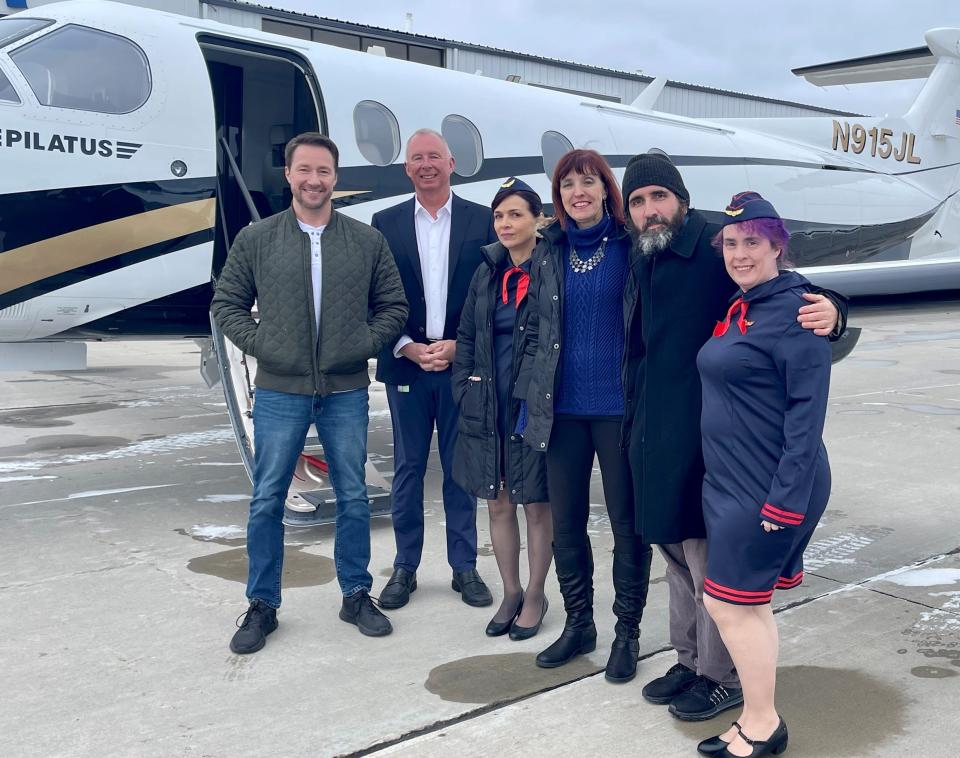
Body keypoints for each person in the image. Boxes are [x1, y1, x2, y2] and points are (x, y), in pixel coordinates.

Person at [619, 153, 845, 720]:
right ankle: (689, 658)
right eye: (639, 201)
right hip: (655, 428)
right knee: (672, 552)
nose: (650, 210)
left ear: (683, 200)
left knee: (704, 559)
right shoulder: (646, 252)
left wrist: (834, 310)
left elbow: (783, 282)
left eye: (659, 197)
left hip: (709, 435)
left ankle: (721, 676)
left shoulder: (715, 247)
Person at [211, 132, 408, 653]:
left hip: (344, 389)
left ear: (335, 178)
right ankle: (262, 605)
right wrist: (267, 346)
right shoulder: (257, 239)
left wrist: (359, 344)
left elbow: (393, 305)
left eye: (323, 171)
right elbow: (226, 304)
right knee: (267, 497)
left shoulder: (366, 241)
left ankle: (356, 592)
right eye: (304, 170)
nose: (314, 180)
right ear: (288, 175)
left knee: (353, 496)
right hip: (281, 388)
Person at [694, 191, 832, 757]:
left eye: (752, 241)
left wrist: (785, 500)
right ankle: (756, 715)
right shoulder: (745, 305)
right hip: (731, 480)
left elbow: (808, 414)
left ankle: (763, 724)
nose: (739, 253)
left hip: (767, 485)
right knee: (747, 604)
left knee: (728, 604)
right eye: (731, 243)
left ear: (779, 246)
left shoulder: (797, 311)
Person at [517, 149, 652, 683]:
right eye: (568, 183)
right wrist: (526, 398)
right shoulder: (547, 249)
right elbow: (531, 325)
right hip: (561, 411)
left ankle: (627, 631)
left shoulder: (632, 245)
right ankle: (580, 624)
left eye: (588, 182)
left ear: (605, 190)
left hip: (618, 410)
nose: (579, 191)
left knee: (626, 527)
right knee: (567, 527)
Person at [372, 129, 498, 610]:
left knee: (459, 470)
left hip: (459, 367)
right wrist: (404, 346)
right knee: (407, 468)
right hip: (407, 365)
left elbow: (492, 295)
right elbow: (374, 297)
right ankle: (405, 568)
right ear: (407, 169)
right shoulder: (384, 224)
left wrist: (460, 347)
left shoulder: (482, 221)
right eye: (416, 158)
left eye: (434, 157)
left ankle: (464, 568)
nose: (426, 164)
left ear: (451, 164)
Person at [452, 178, 552, 639]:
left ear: (538, 220)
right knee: (496, 501)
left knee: (534, 503)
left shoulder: (552, 268)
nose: (506, 224)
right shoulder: (487, 271)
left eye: (516, 214)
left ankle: (535, 593)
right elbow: (468, 335)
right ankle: (510, 591)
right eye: (499, 216)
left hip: (531, 404)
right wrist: (464, 388)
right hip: (487, 403)